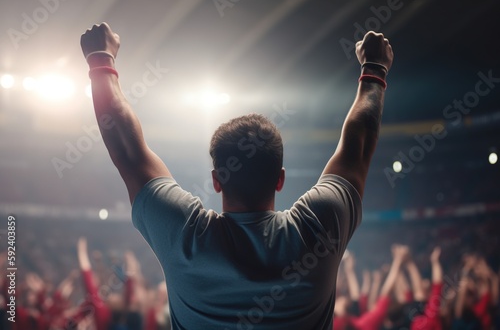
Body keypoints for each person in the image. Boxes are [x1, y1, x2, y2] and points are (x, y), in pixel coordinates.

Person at [80, 22, 393, 329]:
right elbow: (359, 145)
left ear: (217, 180)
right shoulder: (318, 227)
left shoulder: (186, 236)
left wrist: (100, 60)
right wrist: (374, 69)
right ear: (280, 179)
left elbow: (127, 151)